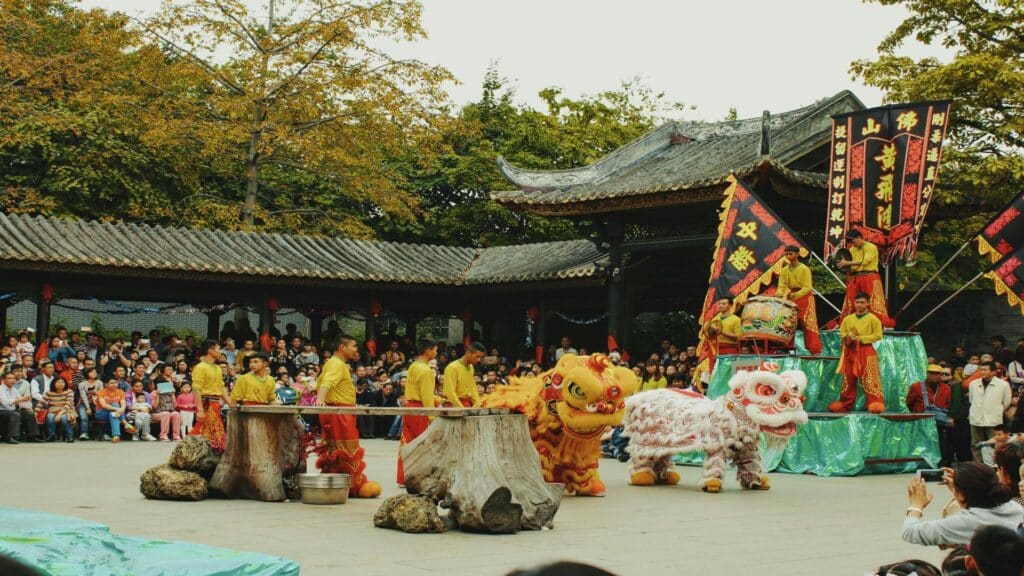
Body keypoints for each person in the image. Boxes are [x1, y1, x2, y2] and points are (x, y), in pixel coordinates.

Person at [314, 335, 381, 499]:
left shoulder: (333, 363)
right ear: (342, 347)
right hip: (339, 412)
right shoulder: (336, 364)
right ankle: (354, 485)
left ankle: (337, 482)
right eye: (353, 346)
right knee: (346, 449)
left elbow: (320, 382)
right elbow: (326, 383)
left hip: (338, 410)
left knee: (335, 449)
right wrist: (320, 400)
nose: (356, 349)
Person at [901, 462, 1023, 547]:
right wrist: (960, 491)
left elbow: (910, 532)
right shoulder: (1015, 507)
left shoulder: (965, 522)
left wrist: (916, 506)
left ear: (962, 494)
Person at [830, 293, 885, 414]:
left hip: (866, 351)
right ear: (854, 303)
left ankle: (875, 404)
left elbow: (878, 335)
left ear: (868, 304)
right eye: (857, 302)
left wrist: (860, 339)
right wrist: (849, 337)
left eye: (862, 302)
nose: (859, 305)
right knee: (848, 379)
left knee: (870, 379)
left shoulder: (873, 319)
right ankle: (845, 405)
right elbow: (842, 333)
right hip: (851, 351)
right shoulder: (847, 319)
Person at [398, 337, 438, 486]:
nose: (436, 353)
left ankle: (404, 477)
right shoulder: (426, 370)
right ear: (428, 352)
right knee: (422, 443)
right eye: (435, 350)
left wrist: (438, 399)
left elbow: (417, 390)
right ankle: (417, 477)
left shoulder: (414, 366)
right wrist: (432, 416)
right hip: (421, 409)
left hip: (410, 407)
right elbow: (426, 398)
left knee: (407, 441)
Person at [836, 229, 895, 327]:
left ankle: (884, 324)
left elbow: (864, 261)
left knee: (874, 301)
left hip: (870, 276)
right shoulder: (852, 249)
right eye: (850, 242)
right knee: (850, 301)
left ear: (859, 238)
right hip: (855, 277)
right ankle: (845, 325)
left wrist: (847, 263)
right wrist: (845, 267)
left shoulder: (871, 247)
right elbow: (850, 265)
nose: (852, 244)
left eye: (853, 241)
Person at [775, 245, 822, 355]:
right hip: (791, 297)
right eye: (786, 254)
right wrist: (778, 295)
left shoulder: (805, 269)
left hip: (805, 297)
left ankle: (815, 350)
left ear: (797, 254)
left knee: (808, 324)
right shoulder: (784, 270)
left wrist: (795, 295)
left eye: (790, 253)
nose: (788, 256)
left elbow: (807, 287)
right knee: (787, 323)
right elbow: (781, 286)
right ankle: (786, 348)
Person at [190, 339, 233, 452]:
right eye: (218, 349)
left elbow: (221, 387)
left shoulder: (217, 368)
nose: (220, 352)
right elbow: (196, 388)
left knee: (212, 432)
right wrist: (199, 409)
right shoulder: (200, 367)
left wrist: (231, 404)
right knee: (211, 432)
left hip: (215, 404)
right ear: (210, 350)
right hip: (206, 403)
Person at [906, 364, 953, 465]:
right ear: (927, 374)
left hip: (938, 422)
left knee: (939, 442)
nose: (934, 376)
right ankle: (920, 463)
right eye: (931, 373)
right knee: (921, 443)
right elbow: (909, 403)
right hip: (920, 421)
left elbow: (948, 404)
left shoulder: (946, 388)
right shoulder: (916, 386)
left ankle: (938, 463)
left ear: (940, 375)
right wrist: (917, 412)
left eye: (937, 374)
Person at [969, 360, 1012, 462]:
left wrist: (996, 410)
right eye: (981, 370)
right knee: (976, 444)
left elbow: (1007, 402)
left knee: (995, 444)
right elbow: (971, 400)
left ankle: (995, 466)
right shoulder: (973, 384)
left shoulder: (1003, 385)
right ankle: (978, 466)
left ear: (993, 372)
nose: (982, 372)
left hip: (994, 419)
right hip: (976, 418)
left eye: (985, 370)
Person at [699, 297, 742, 380]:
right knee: (715, 373)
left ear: (730, 305)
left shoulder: (736, 320)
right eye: (719, 304)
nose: (721, 305)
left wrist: (722, 332)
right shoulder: (715, 319)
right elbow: (710, 336)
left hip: (729, 349)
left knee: (727, 374)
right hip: (715, 350)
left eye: (724, 304)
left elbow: (738, 337)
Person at [442, 342, 485, 407]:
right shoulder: (452, 367)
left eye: (480, 357)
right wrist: (461, 408)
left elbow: (473, 388)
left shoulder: (471, 367)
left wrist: (478, 404)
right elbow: (450, 392)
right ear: (468, 353)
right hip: (454, 405)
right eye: (477, 356)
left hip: (467, 403)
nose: (479, 360)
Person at [38, 376, 76, 442]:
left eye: (62, 382)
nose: (61, 384)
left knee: (64, 418)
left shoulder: (69, 391)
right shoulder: (49, 392)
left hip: (67, 410)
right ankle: (52, 435)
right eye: (58, 382)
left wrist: (60, 414)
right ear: (54, 383)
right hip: (53, 410)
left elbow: (69, 404)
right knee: (49, 416)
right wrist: (35, 413)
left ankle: (70, 436)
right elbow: (41, 403)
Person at [95, 377, 133, 443]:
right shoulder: (101, 392)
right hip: (101, 413)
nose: (114, 384)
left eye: (116, 383)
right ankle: (125, 423)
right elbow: (104, 405)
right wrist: (119, 409)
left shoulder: (121, 392)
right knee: (115, 405)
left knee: (113, 414)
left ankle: (116, 436)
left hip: (115, 413)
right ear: (106, 384)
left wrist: (121, 409)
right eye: (111, 383)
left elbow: (123, 404)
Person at [76, 366, 102, 440]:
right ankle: (84, 433)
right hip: (84, 403)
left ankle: (101, 433)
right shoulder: (81, 384)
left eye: (95, 372)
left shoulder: (99, 383)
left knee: (100, 416)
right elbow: (83, 396)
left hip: (97, 403)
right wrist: (88, 408)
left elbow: (101, 395)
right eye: (92, 372)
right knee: (84, 417)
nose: (94, 373)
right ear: (87, 373)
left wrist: (96, 393)